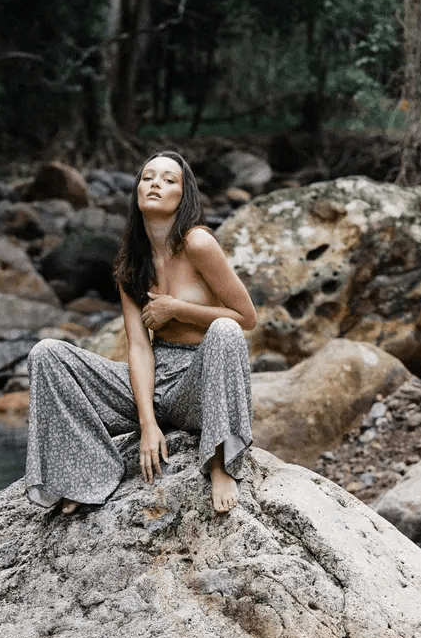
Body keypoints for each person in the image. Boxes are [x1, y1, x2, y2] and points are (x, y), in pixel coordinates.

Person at [24, 150, 257, 514]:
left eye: (168, 180)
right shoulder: (131, 265)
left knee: (226, 329)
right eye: (148, 177)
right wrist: (148, 425)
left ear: (183, 195)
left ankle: (220, 462)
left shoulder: (198, 244)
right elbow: (139, 349)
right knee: (47, 353)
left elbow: (246, 316)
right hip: (155, 381)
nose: (156, 184)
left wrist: (177, 309)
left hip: (200, 382)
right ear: (136, 190)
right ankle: (84, 474)